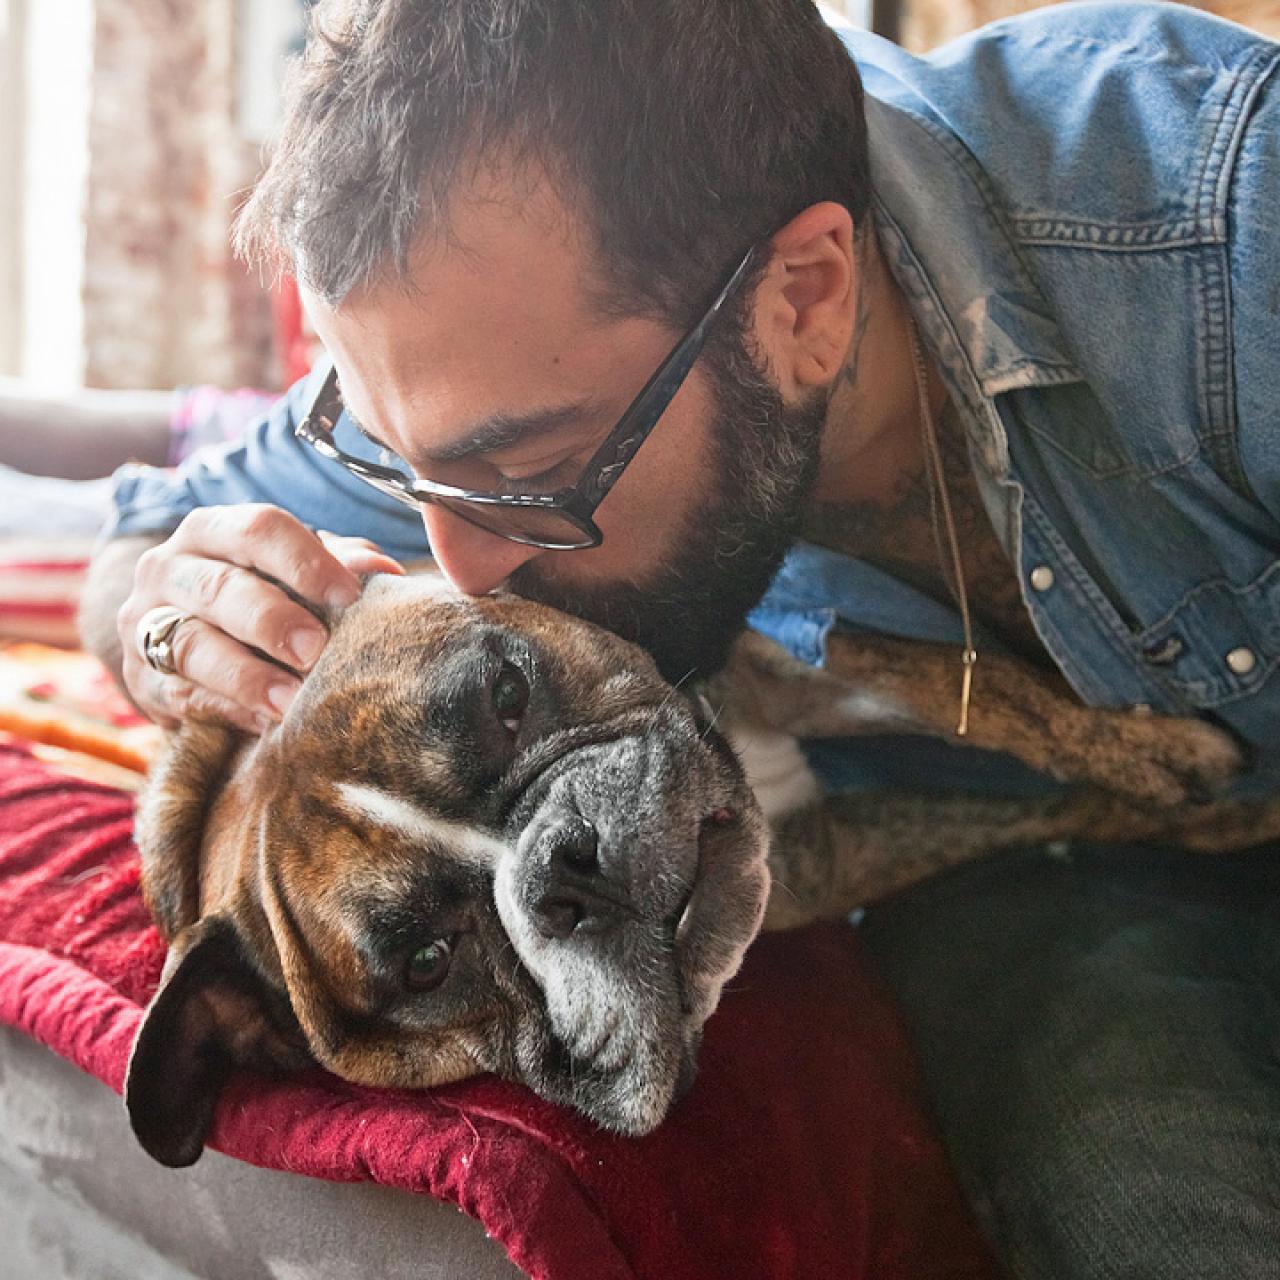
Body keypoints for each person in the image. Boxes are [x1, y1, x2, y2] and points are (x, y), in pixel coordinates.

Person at [80, 2, 1280, 1275]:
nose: (460, 559)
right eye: (396, 461)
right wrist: (169, 621)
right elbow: (136, 537)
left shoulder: (1218, 229)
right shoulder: (492, 376)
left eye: (527, 470)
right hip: (1059, 878)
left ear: (802, 298)